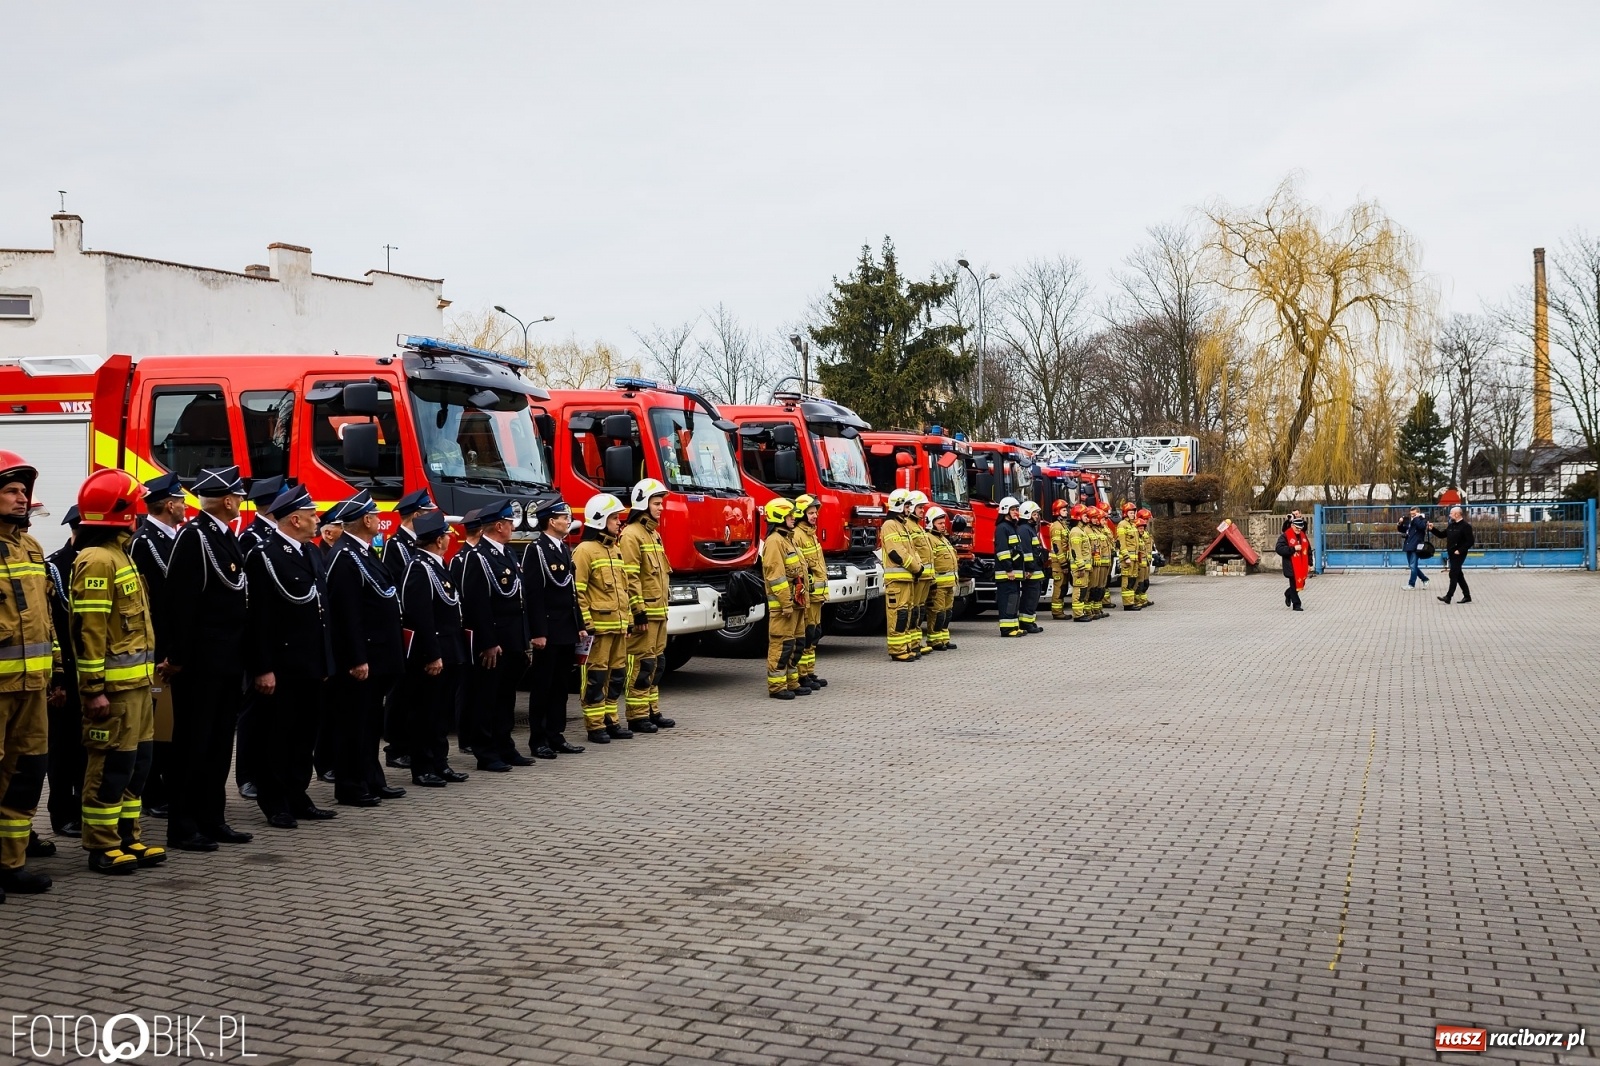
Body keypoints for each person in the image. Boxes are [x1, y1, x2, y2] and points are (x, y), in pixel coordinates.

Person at [70, 468, 166, 875]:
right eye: (134, 505)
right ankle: (102, 844)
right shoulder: (96, 560)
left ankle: (129, 834)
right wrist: (93, 690)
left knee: (136, 764)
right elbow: (88, 630)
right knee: (109, 767)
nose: (140, 511)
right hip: (113, 690)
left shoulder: (120, 553)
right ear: (120, 511)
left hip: (137, 687)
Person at [164, 465, 253, 852]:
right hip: (201, 664)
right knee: (193, 746)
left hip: (227, 660)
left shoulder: (222, 537)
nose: (240, 502)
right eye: (238, 496)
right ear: (229, 500)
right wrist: (179, 658)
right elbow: (181, 605)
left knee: (218, 746)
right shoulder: (195, 538)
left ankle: (212, 818)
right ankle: (183, 826)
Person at [242, 485, 335, 829]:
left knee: (303, 735)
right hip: (282, 665)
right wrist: (262, 668)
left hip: (310, 663)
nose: (317, 520)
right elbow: (260, 619)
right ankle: (275, 801)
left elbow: (321, 610)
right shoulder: (265, 555)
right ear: (294, 519)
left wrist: (326, 661)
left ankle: (298, 794)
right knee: (277, 736)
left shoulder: (310, 553)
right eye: (311, 515)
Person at [0, 452, 61, 896]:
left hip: (33, 690)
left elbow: (46, 620)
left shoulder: (30, 546)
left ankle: (10, 863)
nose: (23, 499)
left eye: (24, 492)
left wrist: (56, 672)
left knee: (26, 774)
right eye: (12, 491)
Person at [323, 492, 407, 807]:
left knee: (370, 724)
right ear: (367, 520)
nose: (377, 519)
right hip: (362, 658)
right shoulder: (345, 556)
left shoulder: (363, 552)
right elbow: (347, 613)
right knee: (353, 725)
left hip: (379, 655)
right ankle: (350, 785)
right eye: (373, 514)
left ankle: (371, 778)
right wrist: (357, 658)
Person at [460, 499, 534, 771]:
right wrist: (488, 642)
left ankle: (505, 745)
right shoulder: (477, 557)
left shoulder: (508, 553)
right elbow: (476, 604)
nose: (514, 525)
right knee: (486, 698)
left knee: (506, 698)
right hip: (494, 642)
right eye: (510, 521)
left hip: (513, 639)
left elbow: (519, 599)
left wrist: (525, 638)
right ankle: (486, 751)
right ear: (499, 525)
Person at [399, 510, 470, 786]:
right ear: (439, 540)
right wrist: (432, 654)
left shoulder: (438, 565)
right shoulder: (419, 567)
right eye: (447, 535)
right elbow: (419, 616)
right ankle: (423, 767)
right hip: (432, 653)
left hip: (449, 648)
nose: (450, 539)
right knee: (425, 712)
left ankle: (440, 763)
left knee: (441, 714)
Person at [128, 473, 184, 820]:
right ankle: (150, 792)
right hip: (156, 647)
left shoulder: (173, 538)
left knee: (168, 726)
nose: (184, 506)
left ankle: (164, 786)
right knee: (153, 727)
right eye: (179, 500)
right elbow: (154, 602)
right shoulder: (145, 541)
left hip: (170, 646)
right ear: (167, 504)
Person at [523, 500, 584, 759]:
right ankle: (538, 739)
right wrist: (538, 632)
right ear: (551, 521)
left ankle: (556, 734)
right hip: (548, 630)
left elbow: (571, 592)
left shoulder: (563, 547)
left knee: (561, 686)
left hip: (566, 627)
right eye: (563, 517)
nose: (567, 521)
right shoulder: (536, 550)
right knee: (543, 686)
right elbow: (533, 595)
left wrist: (579, 624)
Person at [379, 489, 434, 771]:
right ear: (415, 515)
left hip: (421, 627)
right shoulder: (397, 545)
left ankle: (411, 743)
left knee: (415, 692)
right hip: (406, 627)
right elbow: (399, 587)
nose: (431, 517)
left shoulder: (416, 543)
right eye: (427, 513)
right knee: (401, 691)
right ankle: (395, 746)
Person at [573, 494, 633, 739]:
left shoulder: (615, 550)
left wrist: (628, 620)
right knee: (596, 677)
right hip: (599, 629)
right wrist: (587, 624)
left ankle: (611, 721)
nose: (619, 522)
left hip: (618, 627)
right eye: (614, 518)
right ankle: (595, 725)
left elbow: (624, 589)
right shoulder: (585, 551)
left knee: (617, 675)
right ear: (600, 520)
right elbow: (578, 591)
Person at [619, 479, 676, 725]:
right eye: (656, 503)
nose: (661, 508)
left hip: (659, 612)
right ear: (643, 504)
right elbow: (630, 577)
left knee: (656, 663)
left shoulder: (653, 533)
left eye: (661, 503)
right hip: (646, 615)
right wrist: (638, 612)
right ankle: (636, 715)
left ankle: (651, 709)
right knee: (642, 663)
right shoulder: (631, 535)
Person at [43, 507, 84, 839]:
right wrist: (57, 680)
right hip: (65, 672)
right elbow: (52, 626)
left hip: (90, 670)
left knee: (87, 747)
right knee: (62, 749)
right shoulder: (56, 566)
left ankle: (84, 808)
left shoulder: (100, 561)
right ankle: (61, 813)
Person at [760, 497, 809, 699]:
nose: (794, 518)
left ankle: (791, 682)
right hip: (784, 607)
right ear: (779, 516)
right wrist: (786, 603)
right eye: (790, 515)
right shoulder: (774, 542)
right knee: (782, 645)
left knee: (796, 644)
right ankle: (777, 687)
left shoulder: (787, 538)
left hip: (795, 604)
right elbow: (776, 577)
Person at [790, 493, 829, 688]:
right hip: (808, 595)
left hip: (816, 596)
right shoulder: (798, 535)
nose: (815, 516)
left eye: (815, 512)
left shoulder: (811, 535)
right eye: (811, 513)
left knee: (814, 633)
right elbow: (799, 568)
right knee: (806, 634)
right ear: (802, 514)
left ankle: (809, 672)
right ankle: (801, 675)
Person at [878, 489, 919, 661]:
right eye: (908, 505)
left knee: (906, 613)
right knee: (898, 614)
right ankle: (897, 650)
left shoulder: (901, 524)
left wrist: (918, 566)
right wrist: (917, 568)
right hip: (897, 579)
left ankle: (905, 647)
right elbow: (896, 552)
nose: (909, 508)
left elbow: (911, 550)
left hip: (906, 578)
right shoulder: (890, 525)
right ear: (899, 505)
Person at [924, 505, 959, 650]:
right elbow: (929, 562)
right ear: (931, 523)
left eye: (943, 523)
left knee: (947, 613)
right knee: (937, 613)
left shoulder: (943, 538)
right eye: (939, 523)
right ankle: (934, 640)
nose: (943, 525)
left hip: (949, 584)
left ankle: (944, 638)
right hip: (938, 585)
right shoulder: (929, 538)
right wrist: (931, 582)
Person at [906, 491, 935, 654]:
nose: (922, 510)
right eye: (920, 507)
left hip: (925, 577)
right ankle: (911, 643)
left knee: (919, 609)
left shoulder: (918, 526)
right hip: (918, 575)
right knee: (913, 609)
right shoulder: (909, 526)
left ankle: (916, 641)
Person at [1432, 506, 1474, 604]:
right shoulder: (1451, 525)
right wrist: (1432, 529)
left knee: (1453, 574)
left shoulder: (1465, 526)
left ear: (1457, 514)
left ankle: (1448, 597)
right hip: (1451, 553)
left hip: (1459, 554)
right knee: (1459, 575)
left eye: (1451, 513)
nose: (1449, 515)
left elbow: (1470, 541)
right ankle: (1467, 596)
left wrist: (1460, 550)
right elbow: (1442, 535)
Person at [994, 496, 1023, 637]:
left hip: (1013, 573)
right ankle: (1006, 629)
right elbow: (1003, 551)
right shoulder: (1002, 528)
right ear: (1005, 510)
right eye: (1013, 509)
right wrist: (1009, 569)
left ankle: (1013, 626)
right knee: (1007, 600)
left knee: (1013, 599)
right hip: (1006, 573)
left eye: (1017, 509)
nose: (1016, 512)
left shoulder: (1012, 527)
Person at [1016, 501, 1045, 633]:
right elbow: (1027, 552)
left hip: (1035, 570)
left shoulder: (1029, 529)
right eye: (1034, 514)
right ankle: (1026, 623)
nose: (1037, 516)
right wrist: (1029, 568)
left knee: (1033, 597)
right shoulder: (1024, 530)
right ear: (1027, 515)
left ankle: (1029, 621)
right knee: (1030, 597)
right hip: (1031, 571)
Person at [1276, 514, 1311, 611]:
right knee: (1293, 583)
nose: (1298, 530)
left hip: (1302, 564)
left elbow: (1308, 550)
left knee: (1300, 584)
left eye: (1300, 529)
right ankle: (1297, 604)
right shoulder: (1285, 536)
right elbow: (1279, 549)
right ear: (1292, 526)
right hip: (1291, 565)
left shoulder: (1303, 536)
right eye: (1296, 528)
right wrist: (1293, 549)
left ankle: (1288, 593)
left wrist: (1310, 564)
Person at [1067, 503, 1093, 621]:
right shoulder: (1076, 532)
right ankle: (1078, 615)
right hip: (1079, 568)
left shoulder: (1080, 531)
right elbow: (1076, 552)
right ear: (1078, 516)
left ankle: (1080, 612)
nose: (1087, 518)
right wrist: (1081, 566)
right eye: (1085, 515)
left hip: (1084, 567)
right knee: (1078, 590)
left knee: (1082, 590)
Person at [1047, 500, 1071, 621]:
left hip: (1063, 561)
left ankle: (1059, 610)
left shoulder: (1063, 525)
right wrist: (1063, 563)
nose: (1066, 512)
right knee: (1059, 587)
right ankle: (1057, 612)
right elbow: (1057, 546)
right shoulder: (1056, 526)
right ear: (1057, 512)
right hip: (1058, 563)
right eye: (1063, 510)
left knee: (1064, 587)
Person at [1116, 503, 1143, 612]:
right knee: (1127, 581)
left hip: (1134, 558)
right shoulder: (1122, 525)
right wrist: (1126, 556)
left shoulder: (1133, 525)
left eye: (1134, 513)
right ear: (1125, 513)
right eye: (1131, 513)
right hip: (1128, 559)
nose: (1133, 515)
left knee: (1132, 580)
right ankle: (1127, 604)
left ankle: (1130, 602)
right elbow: (1121, 542)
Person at [1398, 506, 1431, 589]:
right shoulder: (1411, 521)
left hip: (1416, 546)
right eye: (1411, 514)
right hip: (1409, 545)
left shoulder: (1422, 520)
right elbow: (1403, 530)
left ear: (1418, 512)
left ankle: (1411, 584)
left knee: (1413, 566)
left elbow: (1422, 527)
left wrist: (1417, 518)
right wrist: (1400, 523)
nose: (1412, 515)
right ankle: (1425, 579)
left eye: (1414, 514)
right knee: (1412, 566)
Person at [1135, 508, 1155, 608]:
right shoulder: (1138, 531)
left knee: (1145, 582)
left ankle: (1143, 599)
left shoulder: (1146, 531)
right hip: (1141, 561)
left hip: (1146, 560)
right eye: (1146, 519)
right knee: (1139, 582)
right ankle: (1137, 599)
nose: (1147, 522)